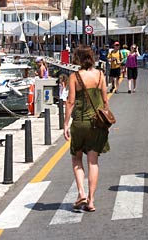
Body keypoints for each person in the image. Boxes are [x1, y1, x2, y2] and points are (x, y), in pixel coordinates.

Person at [62, 45, 109, 213]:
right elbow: (105, 100)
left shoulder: (74, 77)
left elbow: (70, 101)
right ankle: (91, 200)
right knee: (93, 161)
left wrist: (65, 123)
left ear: (78, 59)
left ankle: (81, 192)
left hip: (80, 122)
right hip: (97, 123)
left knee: (76, 158)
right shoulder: (100, 75)